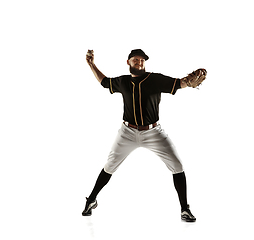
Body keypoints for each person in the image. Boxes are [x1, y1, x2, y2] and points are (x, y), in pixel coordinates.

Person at [82, 49, 206, 222]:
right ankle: (91, 200)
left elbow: (179, 83)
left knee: (177, 165)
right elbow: (104, 82)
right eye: (136, 60)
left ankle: (185, 209)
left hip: (153, 132)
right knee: (109, 166)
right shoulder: (122, 81)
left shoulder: (155, 79)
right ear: (128, 62)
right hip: (127, 132)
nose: (140, 62)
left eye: (142, 60)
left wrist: (187, 82)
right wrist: (91, 65)